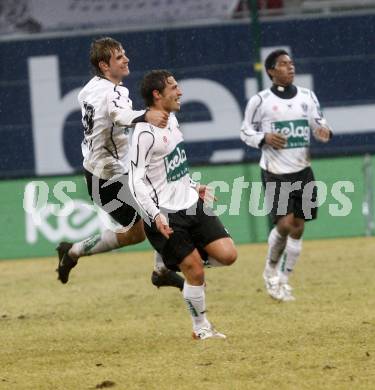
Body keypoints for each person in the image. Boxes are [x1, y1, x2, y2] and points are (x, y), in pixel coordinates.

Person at [56, 37, 184, 291]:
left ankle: (72, 251)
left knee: (135, 233)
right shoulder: (115, 92)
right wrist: (145, 115)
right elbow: (120, 114)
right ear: (105, 66)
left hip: (97, 174)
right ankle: (162, 270)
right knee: (164, 205)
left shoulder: (90, 89)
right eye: (119, 57)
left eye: (124, 54)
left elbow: (109, 116)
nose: (126, 59)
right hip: (112, 177)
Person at [128, 69, 237, 340]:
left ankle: (171, 261)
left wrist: (191, 186)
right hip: (164, 214)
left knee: (228, 256)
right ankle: (201, 328)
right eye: (174, 87)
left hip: (190, 203)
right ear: (157, 95)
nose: (180, 91)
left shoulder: (173, 120)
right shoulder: (144, 134)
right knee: (195, 270)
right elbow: (135, 181)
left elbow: (174, 165)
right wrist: (154, 215)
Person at [240, 49, 332, 301]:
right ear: (271, 71)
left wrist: (324, 131)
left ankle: (284, 279)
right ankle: (270, 271)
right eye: (283, 64)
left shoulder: (307, 96)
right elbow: (244, 132)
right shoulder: (259, 101)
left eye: (291, 63)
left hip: (303, 169)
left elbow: (318, 123)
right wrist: (264, 137)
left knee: (299, 227)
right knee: (284, 224)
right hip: (275, 171)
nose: (290, 67)